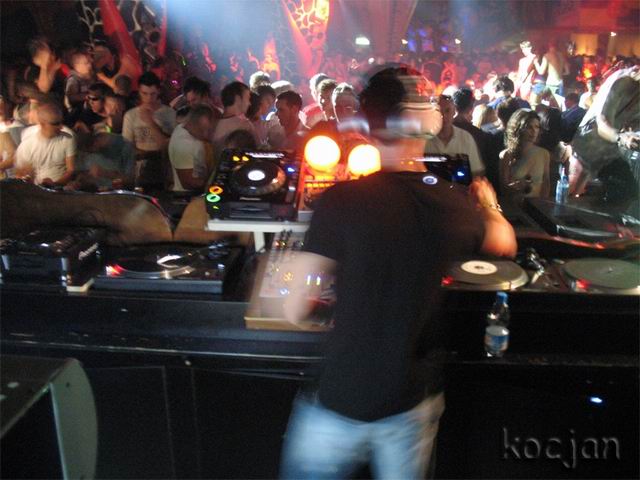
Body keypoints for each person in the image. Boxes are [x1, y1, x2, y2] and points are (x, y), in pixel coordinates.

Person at [280, 65, 517, 480]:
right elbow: (504, 242)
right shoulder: (450, 203)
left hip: (340, 398)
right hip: (409, 401)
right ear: (424, 122)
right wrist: (489, 202)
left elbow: (295, 309)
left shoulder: (340, 200)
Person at [122, 71, 176, 191]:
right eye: (144, 93)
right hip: (140, 171)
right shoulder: (131, 115)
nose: (149, 98)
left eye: (153, 94)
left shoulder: (169, 114)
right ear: (139, 92)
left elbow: (168, 146)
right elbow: (127, 147)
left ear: (158, 92)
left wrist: (150, 122)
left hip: (164, 169)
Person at [15, 102, 76, 186]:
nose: (61, 126)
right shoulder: (28, 145)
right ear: (43, 124)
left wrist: (55, 184)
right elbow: (22, 173)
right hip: (38, 189)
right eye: (55, 123)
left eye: (61, 122)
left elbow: (71, 170)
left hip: (62, 187)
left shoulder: (67, 139)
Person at [425, 94, 485, 177]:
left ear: (454, 112)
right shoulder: (423, 140)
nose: (443, 116)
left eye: (447, 111)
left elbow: (477, 172)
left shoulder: (466, 138)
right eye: (438, 112)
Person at [500, 108, 550, 199]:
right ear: (519, 129)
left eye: (537, 127)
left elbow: (546, 184)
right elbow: (503, 189)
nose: (534, 131)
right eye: (529, 127)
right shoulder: (507, 155)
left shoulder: (544, 154)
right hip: (515, 204)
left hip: (537, 204)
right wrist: (516, 186)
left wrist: (544, 203)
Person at [168, 104, 215, 192]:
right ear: (194, 123)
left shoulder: (181, 127)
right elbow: (188, 182)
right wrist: (214, 185)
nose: (206, 134)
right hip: (189, 195)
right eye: (203, 129)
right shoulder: (184, 143)